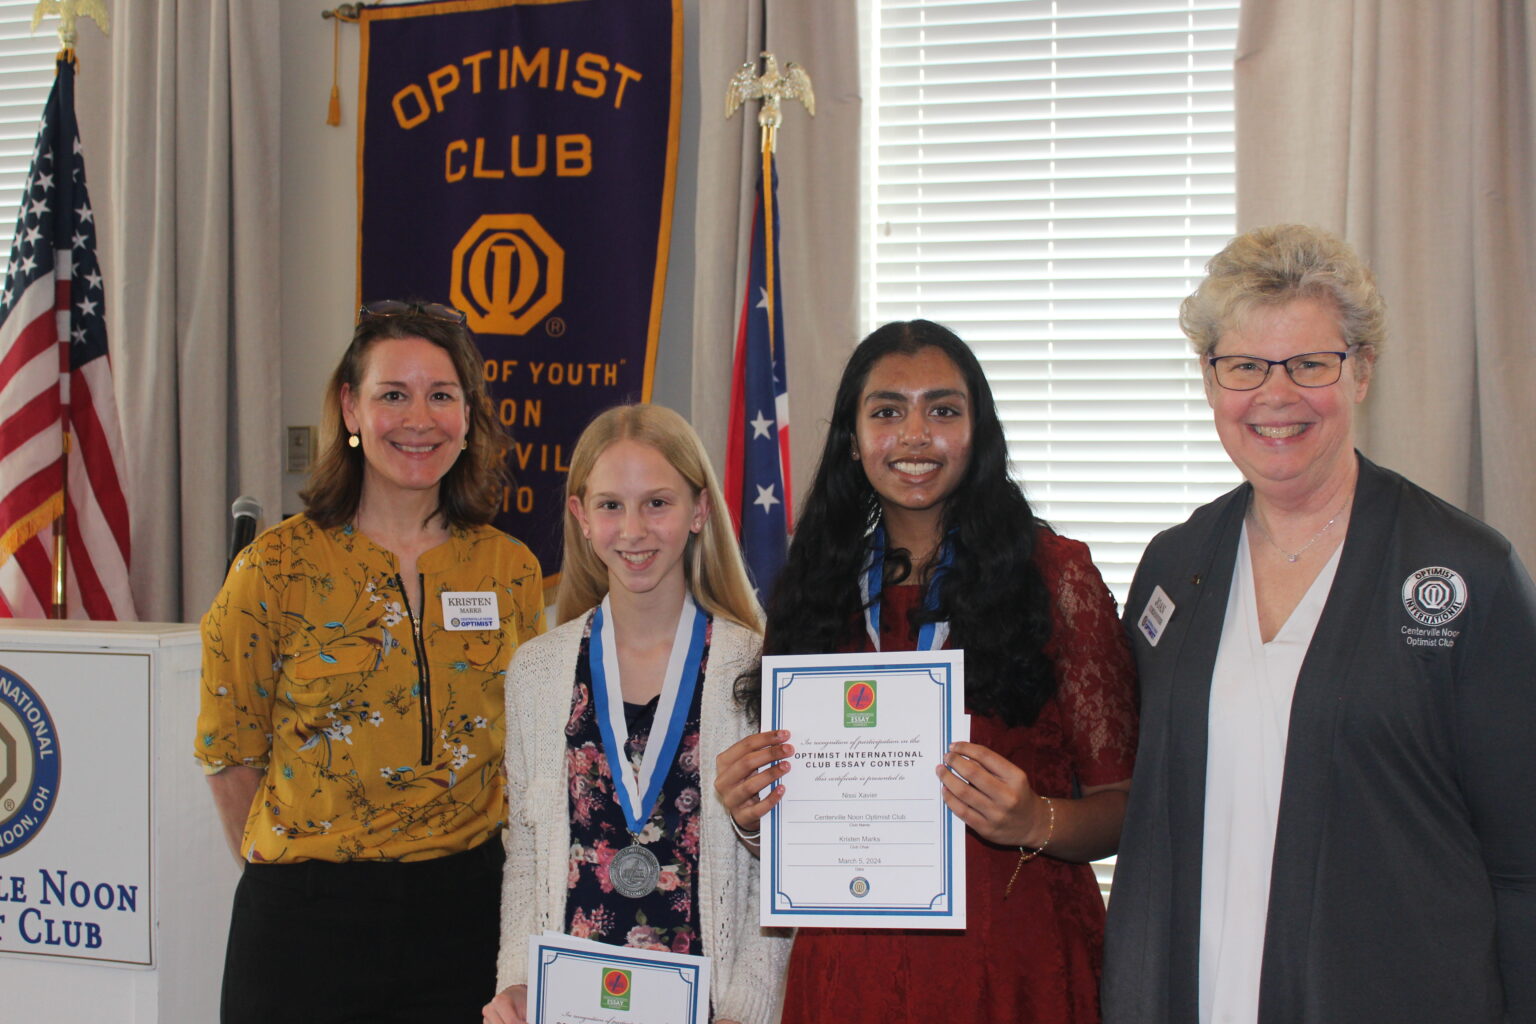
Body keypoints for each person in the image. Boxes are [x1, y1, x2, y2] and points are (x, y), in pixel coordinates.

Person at [1101, 224, 1536, 1023]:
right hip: (1198, 993)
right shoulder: (1175, 567)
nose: (1275, 396)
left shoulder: (1463, 575)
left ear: (1361, 370)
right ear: (1209, 380)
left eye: (1309, 363)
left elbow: (1522, 862)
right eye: (1244, 366)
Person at [719, 320, 1138, 1023]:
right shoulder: (815, 587)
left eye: (943, 410)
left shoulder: (1057, 577)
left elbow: (1125, 806)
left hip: (1012, 973)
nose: (915, 435)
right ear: (852, 440)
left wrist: (1038, 818)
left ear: (978, 433)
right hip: (847, 978)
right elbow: (806, 806)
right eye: (887, 411)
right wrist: (754, 816)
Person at [195, 300, 545, 1023]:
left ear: (469, 414)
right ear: (351, 408)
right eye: (393, 395)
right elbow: (231, 754)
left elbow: (527, 747)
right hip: (306, 929)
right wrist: (311, 869)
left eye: (442, 395)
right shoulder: (274, 567)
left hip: (468, 920)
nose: (419, 418)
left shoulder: (509, 569)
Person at [484, 404, 790, 1024]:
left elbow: (777, 872)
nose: (633, 530)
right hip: (568, 1005)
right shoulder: (536, 672)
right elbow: (526, 848)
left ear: (699, 510)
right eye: (610, 506)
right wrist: (515, 980)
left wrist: (748, 1010)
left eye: (658, 503)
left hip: (709, 1008)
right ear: (581, 517)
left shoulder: (757, 670)